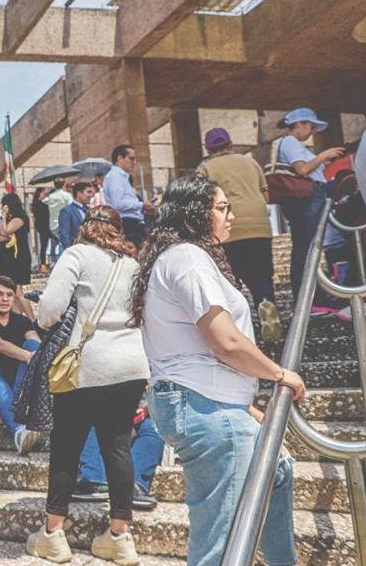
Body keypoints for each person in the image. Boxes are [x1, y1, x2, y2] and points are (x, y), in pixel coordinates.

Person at [133, 175, 304, 566]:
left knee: (277, 469)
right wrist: (279, 374)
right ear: (197, 213)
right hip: (203, 406)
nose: (231, 215)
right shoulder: (187, 259)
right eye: (222, 207)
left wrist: (244, 406)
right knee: (220, 548)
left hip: (212, 402)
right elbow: (224, 341)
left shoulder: (183, 257)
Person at [29, 205, 150, 564]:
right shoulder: (133, 265)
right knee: (118, 446)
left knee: (67, 446)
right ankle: (120, 537)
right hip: (131, 366)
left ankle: (53, 534)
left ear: (85, 228)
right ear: (118, 230)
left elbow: (48, 311)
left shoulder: (76, 255)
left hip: (88, 367)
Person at [197, 127, 282, 343]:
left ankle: (237, 326)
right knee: (262, 275)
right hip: (259, 226)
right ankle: (265, 304)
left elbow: (200, 200)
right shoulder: (250, 162)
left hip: (228, 228)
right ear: (231, 143)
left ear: (208, 148)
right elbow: (266, 195)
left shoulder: (206, 167)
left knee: (230, 280)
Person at [276, 108, 346, 314]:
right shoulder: (290, 142)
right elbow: (303, 170)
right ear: (299, 124)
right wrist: (323, 156)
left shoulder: (292, 144)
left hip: (310, 199)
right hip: (308, 199)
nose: (312, 131)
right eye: (311, 126)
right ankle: (306, 299)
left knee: (308, 249)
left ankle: (311, 297)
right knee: (306, 249)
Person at [0, 276, 43, 454]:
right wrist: (28, 356)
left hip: (19, 374)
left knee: (34, 346)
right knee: (1, 390)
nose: (5, 299)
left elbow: (34, 340)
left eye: (9, 295)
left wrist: (34, 353)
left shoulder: (22, 321)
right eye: (0, 294)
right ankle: (19, 432)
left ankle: (6, 408)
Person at [73, 407, 164, 512]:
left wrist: (148, 408)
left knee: (155, 427)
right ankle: (93, 481)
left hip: (140, 409)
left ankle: (133, 486)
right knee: (86, 417)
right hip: (99, 407)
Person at [103, 144, 157, 248]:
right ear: (120, 158)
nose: (134, 162)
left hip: (134, 223)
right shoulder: (114, 177)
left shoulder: (122, 177)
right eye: (131, 158)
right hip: (127, 224)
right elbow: (117, 204)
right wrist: (141, 205)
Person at [0, 193, 33, 314]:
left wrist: (3, 217)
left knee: (18, 291)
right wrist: (3, 239)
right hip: (7, 257)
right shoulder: (9, 219)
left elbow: (6, 230)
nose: (2, 208)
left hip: (18, 257)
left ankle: (32, 319)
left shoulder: (19, 218)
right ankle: (17, 317)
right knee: (11, 290)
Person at [58, 182, 93, 249]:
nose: (91, 195)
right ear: (79, 193)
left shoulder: (90, 210)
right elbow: (64, 235)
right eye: (88, 192)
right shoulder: (67, 211)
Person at [45, 179, 72, 258]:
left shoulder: (50, 196)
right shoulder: (67, 195)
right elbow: (71, 206)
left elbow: (44, 201)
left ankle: (53, 259)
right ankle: (62, 259)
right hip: (64, 222)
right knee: (63, 242)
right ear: (64, 184)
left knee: (55, 242)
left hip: (52, 223)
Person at [32, 188, 54, 271]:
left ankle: (44, 264)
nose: (45, 194)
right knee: (44, 246)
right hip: (44, 227)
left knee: (45, 245)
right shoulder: (38, 203)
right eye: (44, 192)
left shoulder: (39, 203)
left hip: (44, 227)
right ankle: (43, 264)